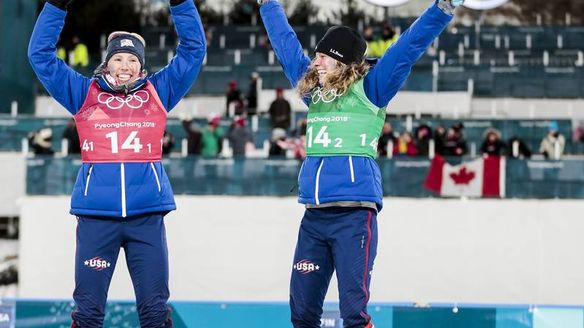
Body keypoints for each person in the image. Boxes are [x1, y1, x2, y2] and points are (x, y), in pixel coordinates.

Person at [258, 0, 463, 327]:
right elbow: (285, 45)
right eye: (317, 55)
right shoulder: (314, 92)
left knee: (354, 312)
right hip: (313, 217)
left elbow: (408, 47)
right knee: (301, 313)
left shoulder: (372, 89)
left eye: (323, 57)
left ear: (341, 62)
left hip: (354, 216)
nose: (316, 62)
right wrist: (268, 5)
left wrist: (442, 9)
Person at [28, 0, 206, 326]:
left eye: (133, 59)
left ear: (142, 67)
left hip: (146, 218)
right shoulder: (83, 93)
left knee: (155, 313)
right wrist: (55, 6)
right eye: (118, 58)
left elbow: (194, 51)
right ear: (106, 64)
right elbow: (40, 56)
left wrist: (181, 4)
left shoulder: (159, 92)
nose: (125, 65)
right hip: (97, 218)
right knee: (88, 314)